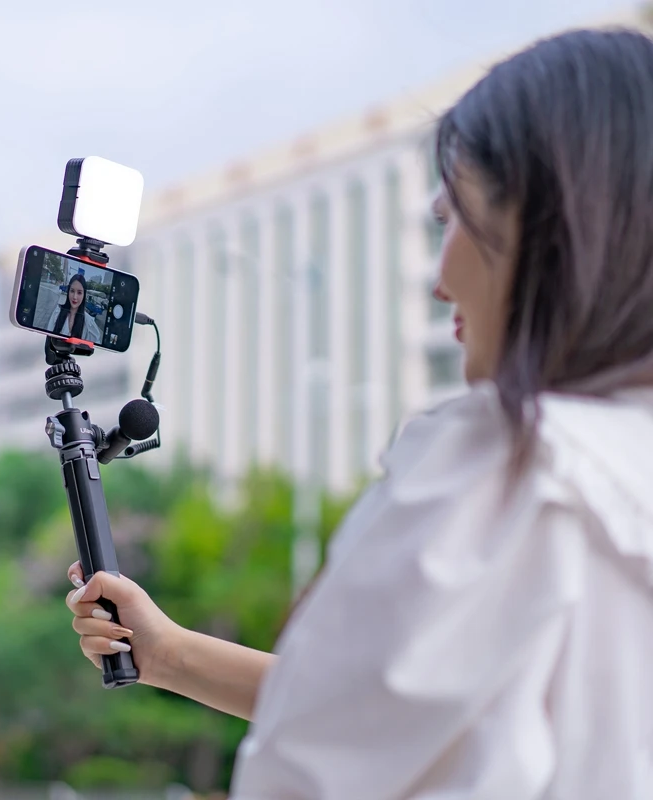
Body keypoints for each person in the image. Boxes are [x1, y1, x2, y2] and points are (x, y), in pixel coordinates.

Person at [65, 28, 653, 798]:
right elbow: (407, 722)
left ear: (546, 228)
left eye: (450, 220)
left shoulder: (512, 468)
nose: (440, 279)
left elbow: (318, 769)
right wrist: (169, 654)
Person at [47, 274, 102, 343]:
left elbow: (96, 345)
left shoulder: (88, 322)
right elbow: (48, 337)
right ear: (68, 292)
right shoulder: (57, 312)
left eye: (79, 293)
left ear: (84, 295)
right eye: (72, 291)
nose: (75, 297)